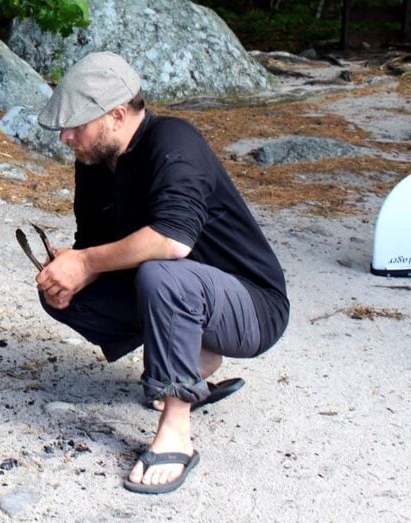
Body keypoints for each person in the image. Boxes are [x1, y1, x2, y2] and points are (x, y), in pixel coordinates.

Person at [33, 51, 289, 494]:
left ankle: (176, 432)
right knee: (66, 287)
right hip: (184, 293)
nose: (66, 137)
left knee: (162, 273)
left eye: (76, 125)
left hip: (252, 306)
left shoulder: (175, 143)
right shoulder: (95, 163)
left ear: (116, 115)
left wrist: (89, 261)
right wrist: (72, 266)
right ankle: (195, 358)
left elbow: (174, 241)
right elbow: (96, 243)